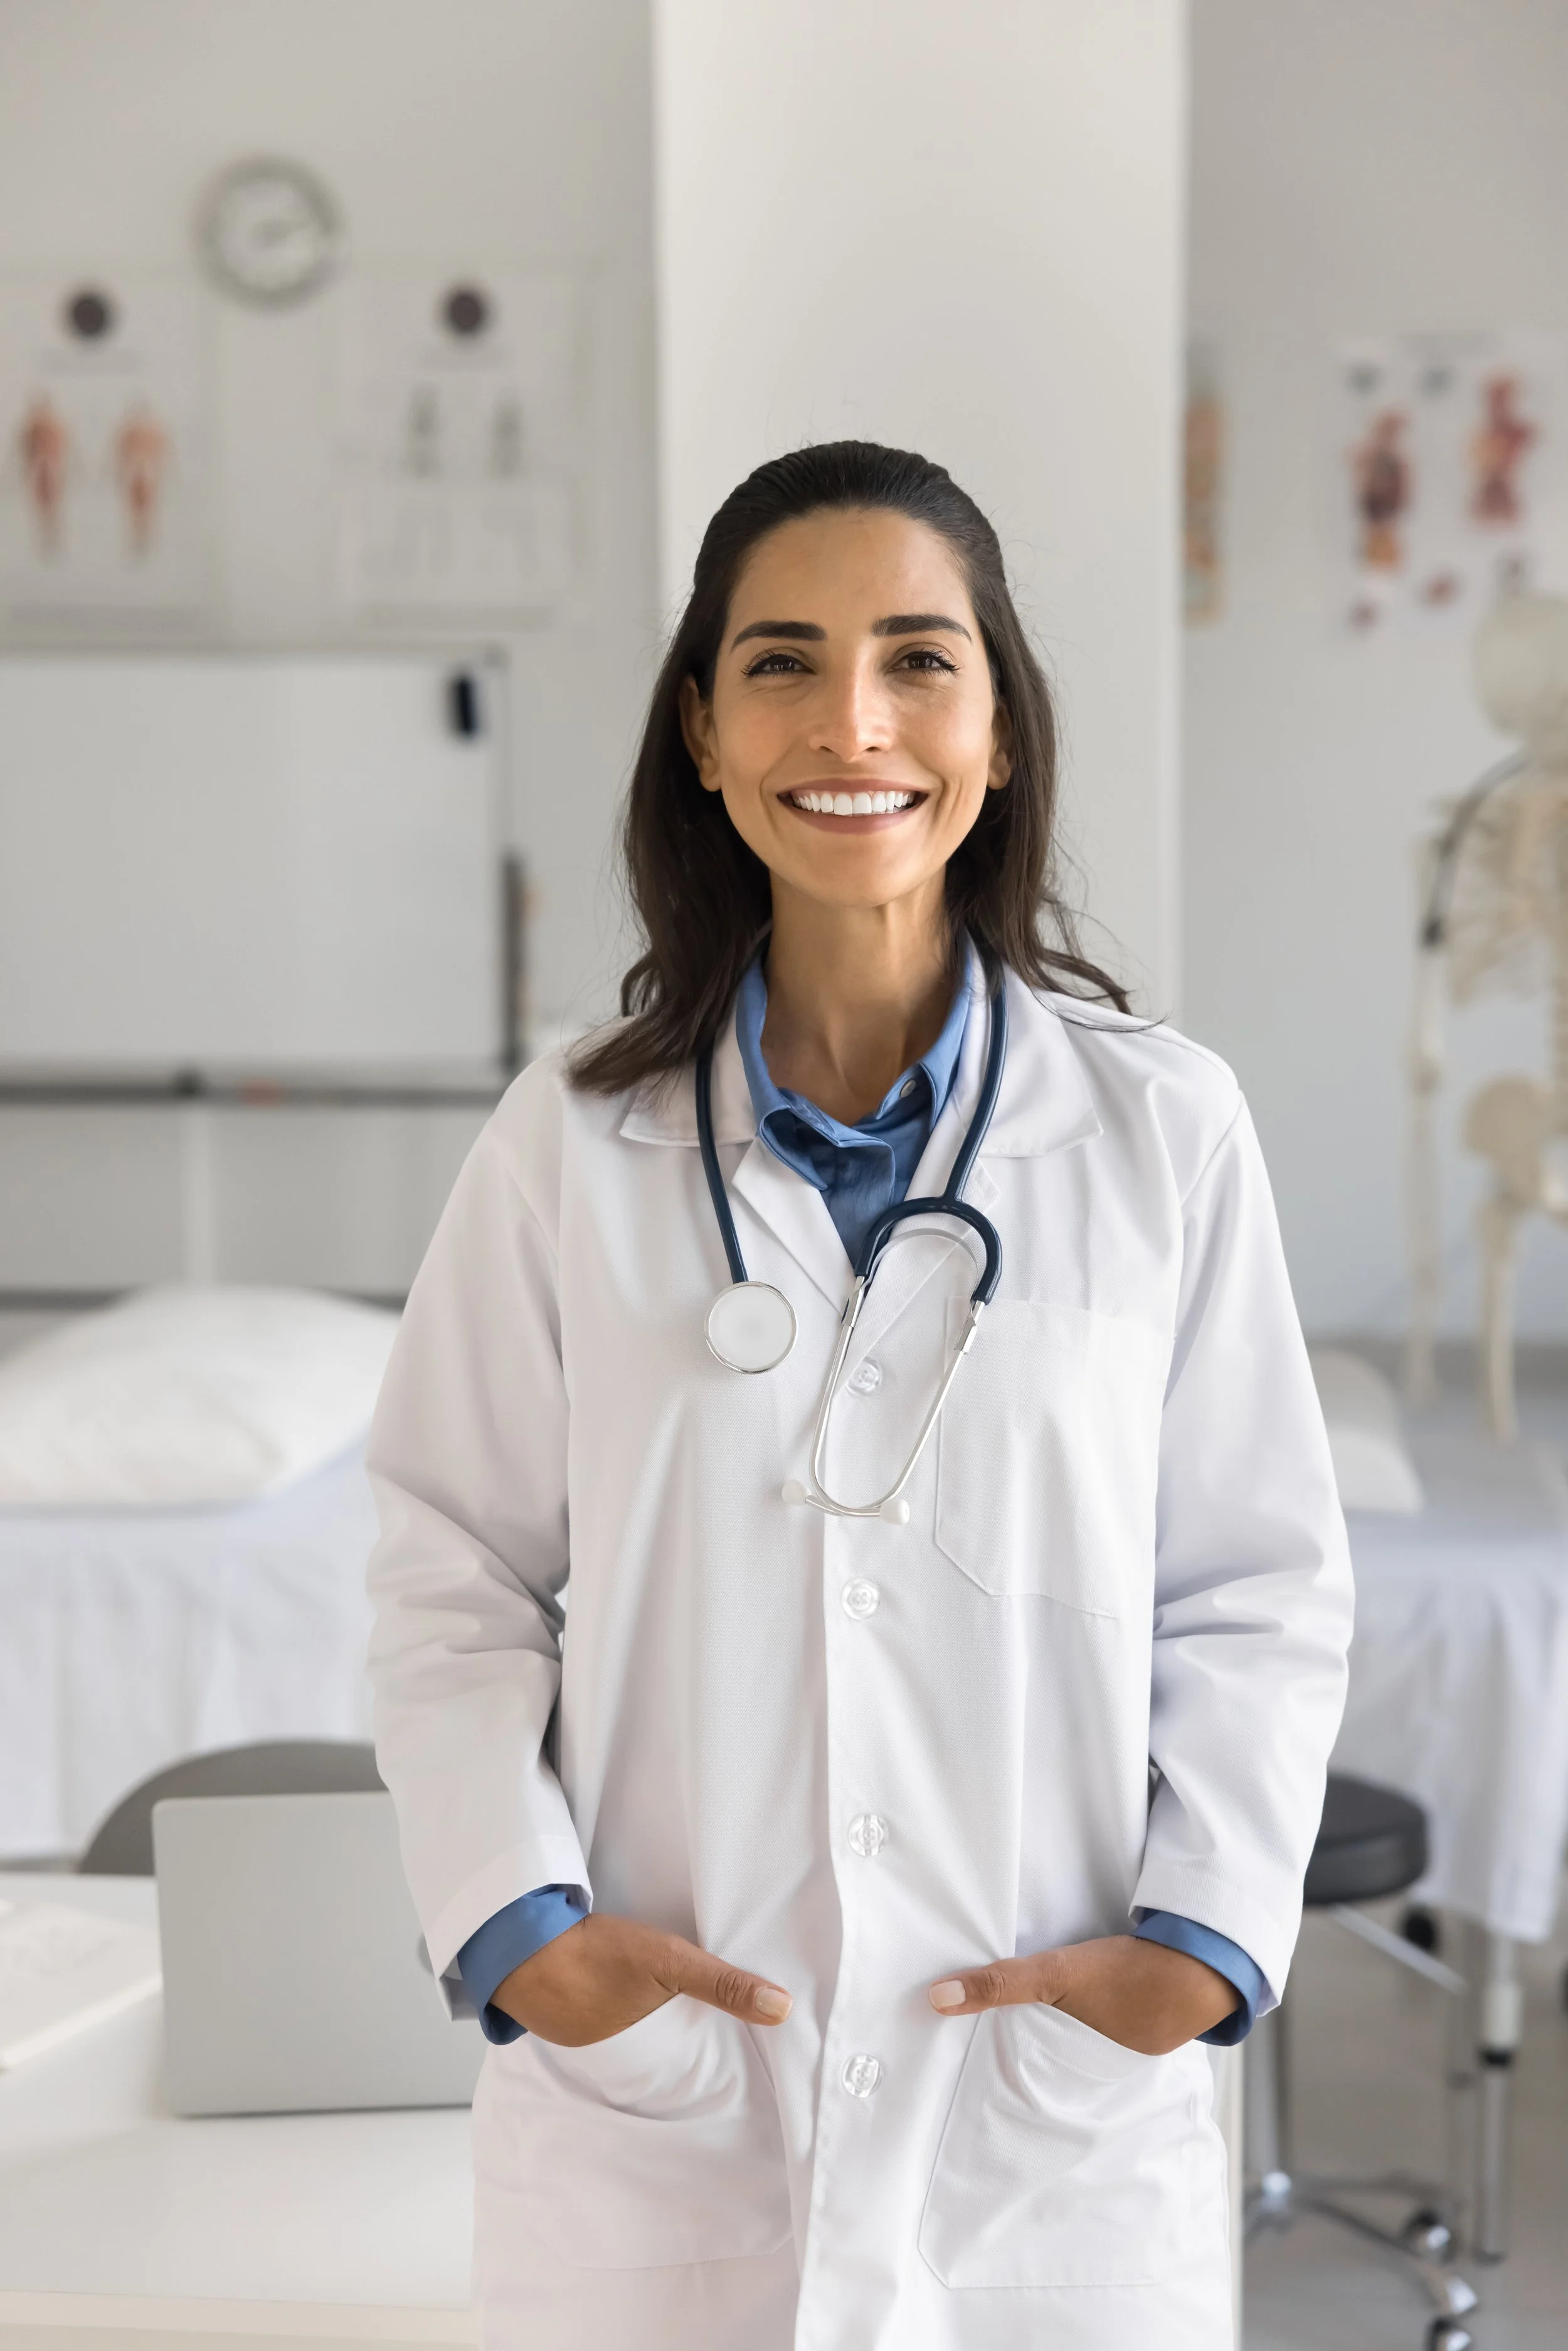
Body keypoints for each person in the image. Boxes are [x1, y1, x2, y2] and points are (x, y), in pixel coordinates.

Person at [366, 440, 1353, 2351]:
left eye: (917, 658)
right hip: (663, 2104)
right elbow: (449, 1560)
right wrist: (520, 1926)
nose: (851, 721)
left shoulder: (1159, 1127)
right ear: (704, 733)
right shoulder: (575, 1139)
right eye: (780, 663)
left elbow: (1257, 1583)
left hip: (1042, 2105)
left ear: (991, 726)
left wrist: (1196, 1943)